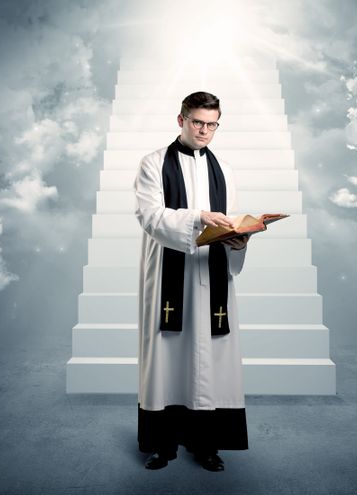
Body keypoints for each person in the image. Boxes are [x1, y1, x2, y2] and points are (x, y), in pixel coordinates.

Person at [133, 91, 249, 471]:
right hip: (170, 272)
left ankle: (206, 444)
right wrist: (198, 217)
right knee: (167, 357)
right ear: (180, 119)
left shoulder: (225, 169)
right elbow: (150, 218)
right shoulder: (153, 163)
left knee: (211, 361)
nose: (204, 130)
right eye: (197, 122)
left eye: (211, 123)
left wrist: (238, 239)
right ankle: (161, 445)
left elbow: (228, 220)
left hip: (211, 274)